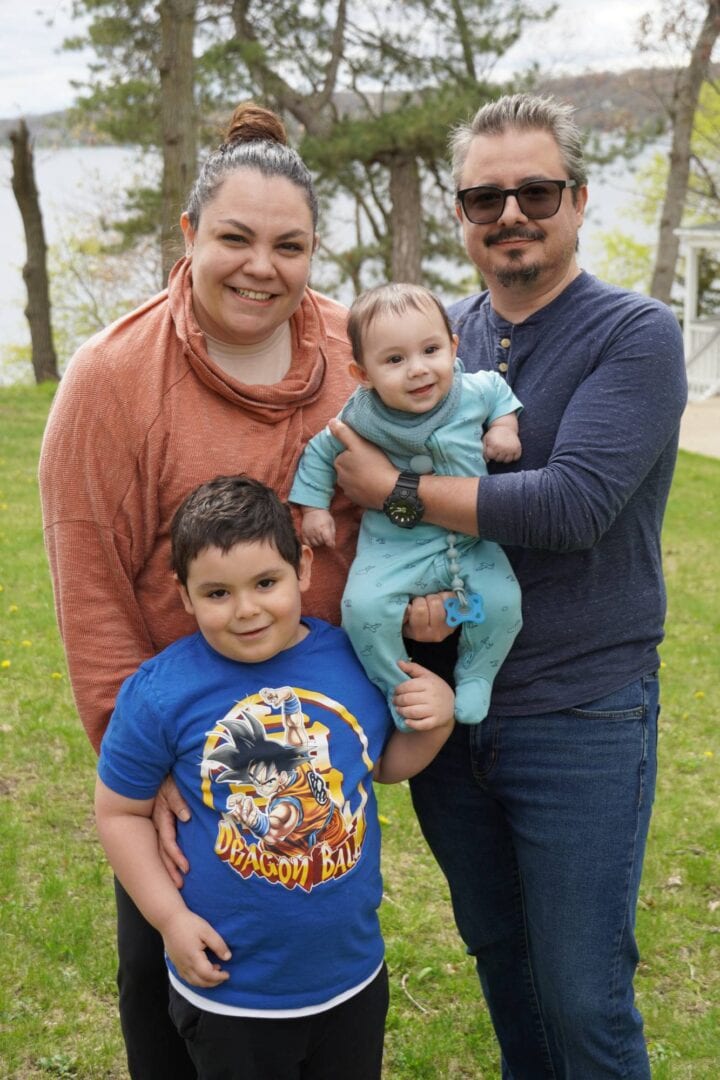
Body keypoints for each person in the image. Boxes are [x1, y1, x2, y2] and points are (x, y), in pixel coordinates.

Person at [38, 102, 447, 1079]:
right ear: (188, 237)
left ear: (315, 253)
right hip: (183, 734)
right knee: (179, 1003)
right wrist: (150, 766)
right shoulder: (110, 378)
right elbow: (92, 593)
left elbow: (422, 468)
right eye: (234, 237)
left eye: (290, 245)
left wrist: (426, 604)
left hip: (322, 710)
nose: (261, 266)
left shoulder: (354, 355)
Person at [327, 93, 688, 1079]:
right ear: (459, 215)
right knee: (504, 967)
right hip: (444, 715)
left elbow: (573, 507)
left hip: (582, 711)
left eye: (535, 190)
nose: (511, 214)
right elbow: (339, 458)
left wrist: (393, 490)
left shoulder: (637, 335)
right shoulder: (429, 336)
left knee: (583, 995)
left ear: (577, 198)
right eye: (486, 197)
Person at [95, 474, 454, 1080]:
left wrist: (434, 724)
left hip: (351, 972)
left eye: (266, 583)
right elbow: (119, 812)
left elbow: (384, 768)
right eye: (217, 593)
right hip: (232, 990)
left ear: (304, 569)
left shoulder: (354, 659)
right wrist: (170, 920)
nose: (247, 610)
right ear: (183, 596)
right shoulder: (160, 692)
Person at [289, 282, 523, 729]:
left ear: (453, 347)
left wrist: (504, 429)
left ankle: (476, 672)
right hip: (393, 551)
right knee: (362, 609)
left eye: (430, 350)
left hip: (471, 544)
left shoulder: (472, 391)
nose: (418, 370)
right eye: (395, 360)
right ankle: (397, 686)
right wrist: (314, 507)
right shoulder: (362, 415)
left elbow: (498, 393)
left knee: (503, 602)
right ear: (362, 374)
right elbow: (322, 451)